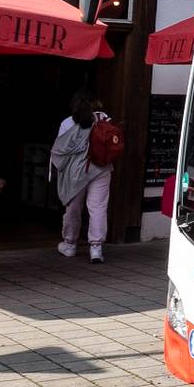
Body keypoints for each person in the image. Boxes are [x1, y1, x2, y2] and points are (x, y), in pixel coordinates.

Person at [52, 92, 112, 263]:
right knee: (98, 207)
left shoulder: (67, 123)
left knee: (73, 207)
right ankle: (96, 249)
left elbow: (60, 151)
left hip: (76, 172)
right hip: (101, 168)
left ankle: (70, 243)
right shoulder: (103, 118)